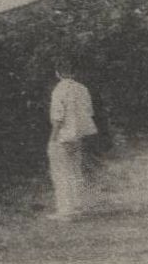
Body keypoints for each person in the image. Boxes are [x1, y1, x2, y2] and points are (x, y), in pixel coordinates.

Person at [48, 54, 98, 220]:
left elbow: (58, 117)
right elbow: (89, 112)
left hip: (63, 136)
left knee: (61, 172)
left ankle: (65, 211)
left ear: (57, 73)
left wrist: (52, 139)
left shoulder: (59, 90)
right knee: (75, 171)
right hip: (78, 136)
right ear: (75, 72)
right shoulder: (83, 89)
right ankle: (77, 206)